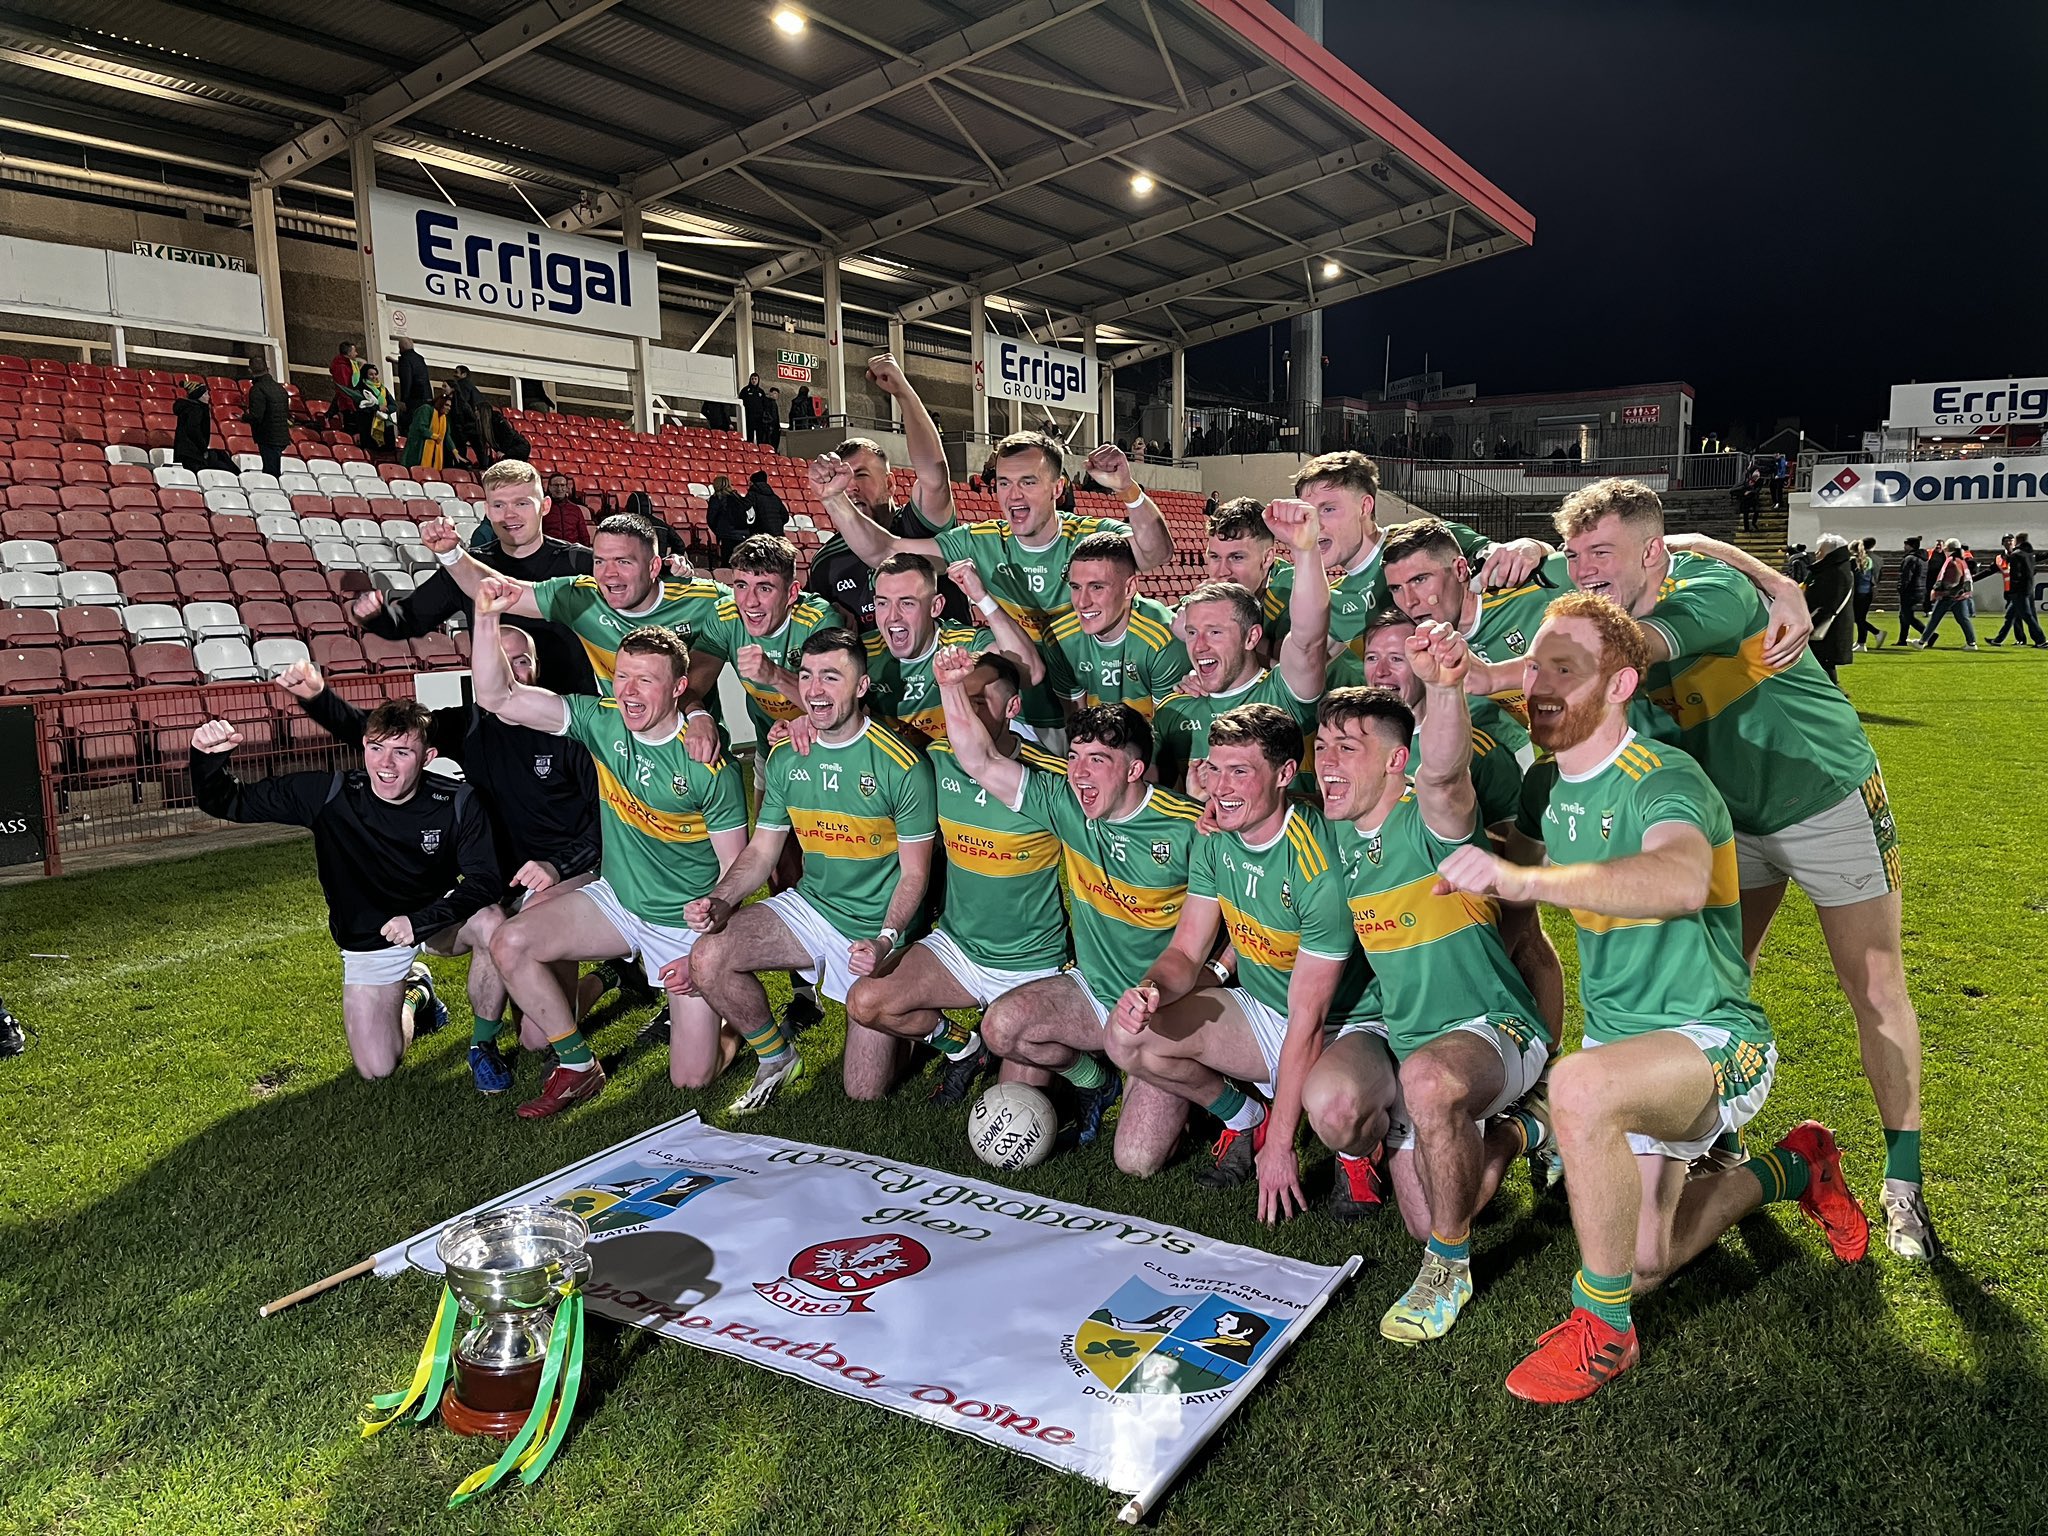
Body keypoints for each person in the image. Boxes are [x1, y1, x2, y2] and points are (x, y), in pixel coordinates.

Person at [1437, 593, 1869, 1401]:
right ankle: (1796, 1167)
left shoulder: (1665, 778)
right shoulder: (1545, 786)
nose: (1539, 684)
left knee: (1580, 1087)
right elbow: (1479, 828)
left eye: (1566, 669)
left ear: (1622, 684)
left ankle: (1603, 1335)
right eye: (1535, 665)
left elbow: (1677, 877)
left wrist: (1525, 878)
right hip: (1620, 1044)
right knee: (1639, 1263)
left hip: (1715, 1041)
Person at [1537, 479, 1935, 1258]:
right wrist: (1513, 553)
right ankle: (1724, 1142)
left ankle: (1904, 1185)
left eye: (1601, 554)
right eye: (1574, 554)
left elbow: (1629, 641)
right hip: (1727, 819)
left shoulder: (1711, 589)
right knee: (1718, 986)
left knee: (1875, 987)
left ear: (1651, 553)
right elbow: (1568, 575)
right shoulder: (1603, 573)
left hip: (1824, 797)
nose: (1584, 570)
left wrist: (1741, 567)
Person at [1310, 638, 1551, 1340]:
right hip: (1417, 1045)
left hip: (1495, 1028)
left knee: (1431, 1086)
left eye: (1347, 748)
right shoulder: (1343, 839)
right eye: (1322, 746)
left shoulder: (1430, 820)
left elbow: (1446, 779)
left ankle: (1447, 1269)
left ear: (1395, 762)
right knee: (1431, 1206)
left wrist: (1445, 686)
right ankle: (1527, 1125)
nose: (1327, 761)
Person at [467, 581, 751, 1117]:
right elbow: (498, 697)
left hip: (682, 922)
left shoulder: (708, 763)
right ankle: (577, 1064)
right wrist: (486, 615)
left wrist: (704, 957)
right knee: (510, 942)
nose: (630, 692)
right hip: (618, 901)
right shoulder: (601, 722)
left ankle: (728, 1015)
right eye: (623, 677)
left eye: (646, 680)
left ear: (679, 688)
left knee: (693, 1079)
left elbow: (736, 871)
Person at [274, 643, 600, 1096]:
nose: (509, 670)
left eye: (521, 659)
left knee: (535, 1037)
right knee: (377, 1067)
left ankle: (605, 977)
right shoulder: (468, 722)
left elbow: (607, 822)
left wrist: (557, 865)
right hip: (495, 880)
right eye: (498, 659)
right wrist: (316, 695)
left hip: (558, 877)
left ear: (537, 667)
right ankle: (420, 995)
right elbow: (383, 734)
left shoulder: (572, 726)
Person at [1107, 703, 1372, 1223]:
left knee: (1335, 1110)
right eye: (1215, 769)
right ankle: (1246, 1114)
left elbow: (1310, 1022)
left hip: (1344, 1024)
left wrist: (1281, 1147)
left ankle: (1357, 1153)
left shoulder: (1319, 868)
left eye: (1240, 771)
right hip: (1265, 1008)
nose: (1220, 787)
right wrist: (1150, 991)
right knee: (1127, 1038)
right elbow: (1185, 952)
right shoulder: (1215, 841)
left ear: (1285, 774)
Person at [942, 696, 1201, 1166]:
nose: (1079, 773)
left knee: (1136, 1161)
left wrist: (1208, 983)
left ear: (1134, 769)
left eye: (1098, 760)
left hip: (1162, 1009)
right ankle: (1094, 1079)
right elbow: (978, 759)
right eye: (1074, 757)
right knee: (1000, 1028)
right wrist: (949, 685)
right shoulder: (1066, 804)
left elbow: (1234, 927)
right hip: (1093, 990)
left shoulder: (1188, 829)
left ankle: (1205, 1094)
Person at [686, 629, 937, 1113]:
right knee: (708, 956)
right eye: (806, 677)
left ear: (861, 686)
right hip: (814, 907)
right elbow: (761, 853)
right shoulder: (786, 755)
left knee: (864, 1090)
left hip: (873, 927)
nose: (816, 690)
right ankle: (776, 1057)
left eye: (831, 677)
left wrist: (886, 938)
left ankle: (910, 1014)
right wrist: (721, 898)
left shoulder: (903, 766)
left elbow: (913, 876)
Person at [189, 700, 501, 1082]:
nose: (385, 764)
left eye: (401, 752)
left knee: (492, 921)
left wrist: (421, 921)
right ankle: (416, 993)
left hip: (437, 921)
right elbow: (228, 801)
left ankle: (483, 1046)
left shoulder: (458, 800)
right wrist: (206, 758)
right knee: (377, 1067)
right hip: (371, 937)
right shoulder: (330, 795)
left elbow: (485, 881)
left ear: (428, 756)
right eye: (376, 748)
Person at [825, 648, 1072, 1104]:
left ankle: (1090, 1077)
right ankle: (964, 1047)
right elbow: (859, 748)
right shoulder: (937, 760)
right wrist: (803, 723)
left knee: (1016, 1106)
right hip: (957, 948)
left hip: (1030, 961)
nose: (971, 711)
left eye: (982, 701)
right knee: (864, 1009)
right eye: (964, 699)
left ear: (1013, 708)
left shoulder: (1052, 780)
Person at [361, 460, 599, 697]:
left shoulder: (581, 564)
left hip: (575, 718)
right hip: (498, 721)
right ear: (486, 510)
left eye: (522, 503)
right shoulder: (467, 567)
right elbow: (408, 620)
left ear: (544, 506)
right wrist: (371, 613)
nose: (510, 515)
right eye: (499, 505)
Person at [1280, 451, 1545, 655]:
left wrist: (1533, 545)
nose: (1315, 524)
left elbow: (1504, 555)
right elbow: (1304, 657)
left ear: (1365, 506)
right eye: (1309, 512)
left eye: (1328, 509)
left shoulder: (1425, 538)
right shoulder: (1332, 599)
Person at [1153, 498, 1330, 799]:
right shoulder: (1173, 710)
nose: (1221, 571)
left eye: (1236, 557)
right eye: (1194, 633)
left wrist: (1306, 550)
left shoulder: (1280, 692)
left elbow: (1308, 641)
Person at [860, 551, 1042, 744]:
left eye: (906, 603)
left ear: (935, 606)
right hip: (895, 768)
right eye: (882, 603)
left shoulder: (963, 645)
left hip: (956, 765)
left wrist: (982, 598)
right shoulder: (863, 651)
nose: (892, 616)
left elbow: (1032, 673)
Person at [1042, 533, 1191, 721]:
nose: (1082, 602)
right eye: (1076, 587)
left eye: (1097, 587)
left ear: (1129, 589)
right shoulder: (1059, 638)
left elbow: (1169, 733)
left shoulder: (1163, 640)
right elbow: (1075, 721)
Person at [1186, 497, 1289, 656]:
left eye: (1237, 557)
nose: (1222, 571)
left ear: (1267, 559)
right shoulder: (1216, 590)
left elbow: (1287, 667)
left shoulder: (1294, 592)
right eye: (1215, 557)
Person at [1803, 533, 1856, 686]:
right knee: (1823, 662)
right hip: (1829, 624)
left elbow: (1829, 603)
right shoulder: (1836, 569)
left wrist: (1812, 622)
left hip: (1828, 625)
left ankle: (1834, 695)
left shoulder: (1836, 572)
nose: (1817, 553)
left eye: (1820, 550)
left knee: (1824, 662)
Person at [1920, 538, 1979, 650]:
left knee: (1935, 618)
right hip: (1959, 595)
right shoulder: (1960, 559)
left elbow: (1952, 577)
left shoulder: (1952, 560)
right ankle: (1971, 643)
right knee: (1963, 619)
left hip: (1949, 595)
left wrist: (1943, 591)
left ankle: (1922, 641)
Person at [1989, 533, 2045, 647]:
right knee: (2011, 616)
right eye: (2006, 541)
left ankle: (2041, 640)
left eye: (2011, 540)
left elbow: (2020, 574)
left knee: (2027, 616)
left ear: (2015, 542)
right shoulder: (2002, 557)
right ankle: (2000, 640)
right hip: (2016, 591)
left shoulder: (2018, 555)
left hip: (2018, 591)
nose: (2009, 543)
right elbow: (1989, 571)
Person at [243, 356, 293, 479]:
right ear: (268, 368)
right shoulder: (280, 388)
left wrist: (244, 417)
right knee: (274, 470)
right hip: (281, 435)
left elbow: (256, 416)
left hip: (268, 436)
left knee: (271, 473)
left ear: (250, 370)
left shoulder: (257, 389)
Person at [447, 366, 489, 469]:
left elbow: (462, 404)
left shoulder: (462, 385)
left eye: (456, 372)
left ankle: (464, 465)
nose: (454, 374)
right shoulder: (471, 386)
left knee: (462, 445)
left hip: (466, 423)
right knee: (479, 447)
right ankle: (484, 465)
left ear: (464, 374)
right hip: (475, 422)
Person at [705, 474, 753, 563]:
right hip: (742, 533)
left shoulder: (716, 498)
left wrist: (718, 531)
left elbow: (711, 518)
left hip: (727, 534)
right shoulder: (737, 497)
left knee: (727, 562)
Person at [402, 388, 452, 472]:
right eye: (446, 405)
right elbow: (420, 427)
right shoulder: (426, 409)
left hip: (435, 452)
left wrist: (455, 451)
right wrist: (434, 436)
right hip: (419, 449)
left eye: (450, 406)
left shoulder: (444, 418)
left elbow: (446, 436)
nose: (449, 408)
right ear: (441, 403)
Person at [171, 381, 214, 474]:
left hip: (184, 451)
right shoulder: (196, 409)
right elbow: (193, 429)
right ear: (198, 395)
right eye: (206, 394)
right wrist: (203, 448)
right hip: (192, 453)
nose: (209, 397)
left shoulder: (188, 408)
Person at [353, 364, 398, 454]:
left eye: (375, 374)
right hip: (369, 424)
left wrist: (386, 409)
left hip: (385, 423)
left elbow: (394, 405)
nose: (374, 377)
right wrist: (377, 408)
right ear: (365, 375)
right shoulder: (361, 389)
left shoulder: (383, 389)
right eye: (371, 374)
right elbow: (361, 406)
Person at [1851, 537, 1884, 652]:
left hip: (1858, 592)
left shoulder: (1853, 561)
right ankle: (1861, 642)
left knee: (1857, 618)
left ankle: (1876, 632)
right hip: (1867, 592)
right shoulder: (1869, 560)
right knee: (1860, 617)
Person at [1895, 535, 1929, 646]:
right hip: (1920, 589)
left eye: (1906, 545)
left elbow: (1906, 577)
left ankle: (1928, 634)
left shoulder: (1910, 559)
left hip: (1910, 591)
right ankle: (1902, 639)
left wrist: (1901, 588)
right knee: (1904, 615)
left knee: (1907, 616)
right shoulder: (1922, 559)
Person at [542, 473, 592, 546]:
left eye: (562, 485)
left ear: (566, 488)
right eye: (556, 485)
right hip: (549, 551)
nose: (559, 489)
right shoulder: (543, 508)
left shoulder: (575, 509)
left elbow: (583, 534)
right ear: (550, 488)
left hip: (571, 551)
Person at [393, 337, 431, 430]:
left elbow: (406, 380)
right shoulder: (419, 358)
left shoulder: (405, 359)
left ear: (401, 347)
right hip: (426, 396)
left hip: (413, 399)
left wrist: (404, 400)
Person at [745, 470, 790, 540]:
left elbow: (748, 515)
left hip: (760, 536)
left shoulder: (752, 495)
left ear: (752, 483)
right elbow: (785, 517)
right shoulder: (775, 498)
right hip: (778, 535)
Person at [329, 341, 361, 418]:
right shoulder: (342, 367)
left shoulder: (350, 365)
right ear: (349, 353)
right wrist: (351, 406)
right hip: (347, 404)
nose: (356, 354)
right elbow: (344, 388)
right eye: (354, 351)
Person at [740, 372, 773, 445]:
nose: (754, 381)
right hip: (748, 417)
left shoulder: (761, 392)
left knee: (760, 435)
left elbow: (764, 404)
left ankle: (759, 449)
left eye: (755, 379)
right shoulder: (745, 390)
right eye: (752, 379)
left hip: (759, 418)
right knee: (749, 434)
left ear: (758, 380)